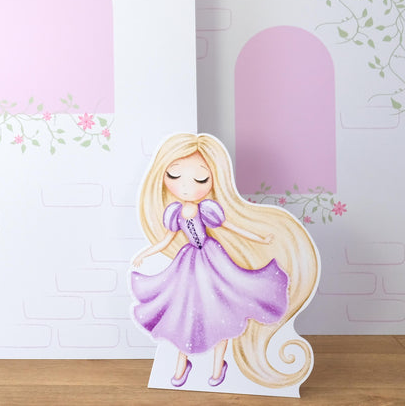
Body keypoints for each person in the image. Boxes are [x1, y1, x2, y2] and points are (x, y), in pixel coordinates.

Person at [131, 133, 318, 389]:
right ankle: (181, 364)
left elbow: (231, 227)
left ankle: (218, 366)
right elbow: (166, 240)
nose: (186, 186)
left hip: (213, 259)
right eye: (174, 176)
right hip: (188, 264)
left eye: (200, 179)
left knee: (223, 310)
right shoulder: (174, 212)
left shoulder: (207, 209)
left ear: (213, 179)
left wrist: (260, 238)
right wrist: (145, 253)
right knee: (185, 310)